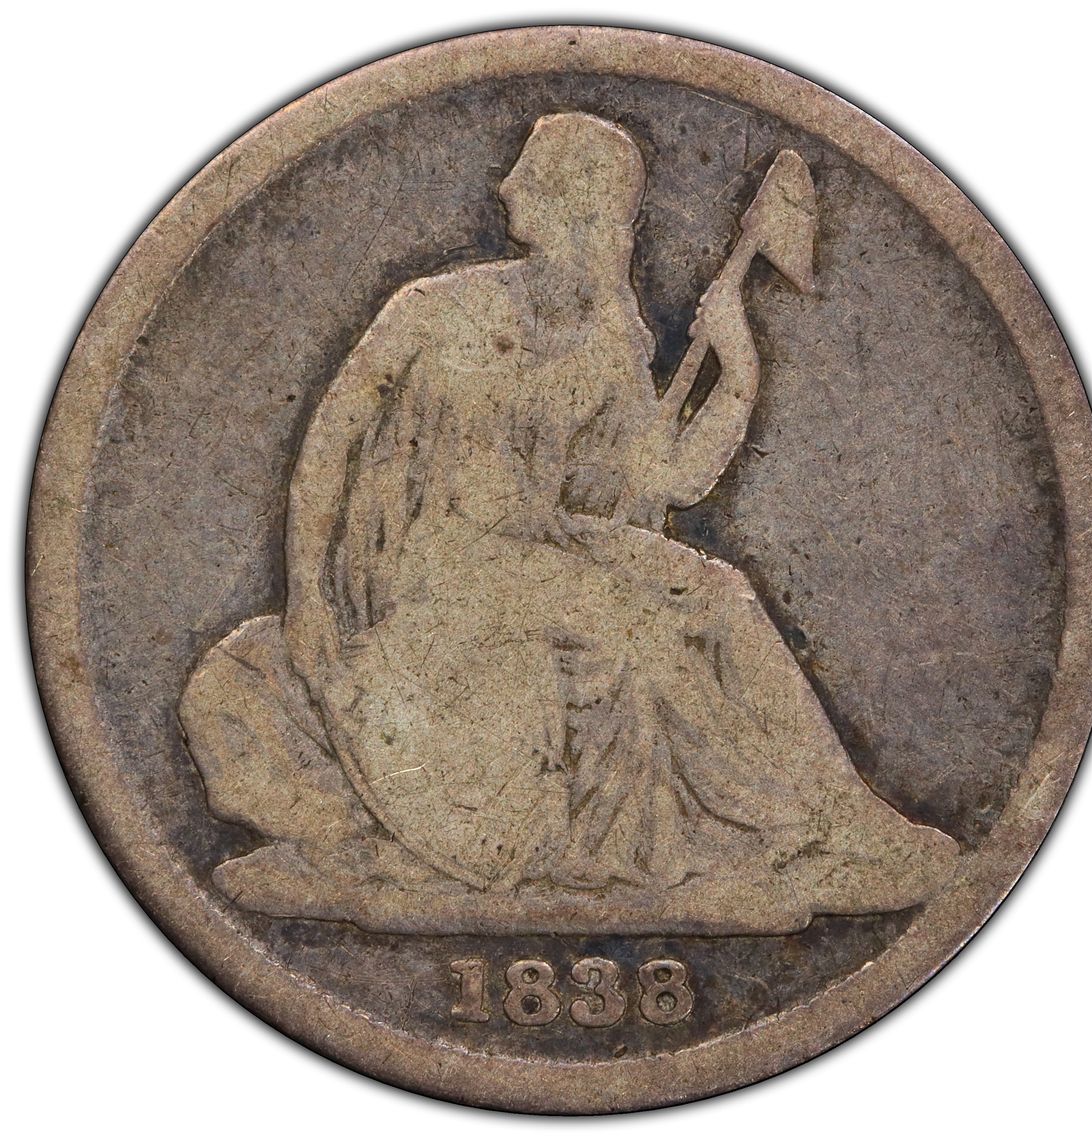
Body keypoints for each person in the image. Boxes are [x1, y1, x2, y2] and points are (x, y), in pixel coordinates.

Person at [180, 113, 957, 932]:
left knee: (719, 590)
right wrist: (308, 595)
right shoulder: (433, 311)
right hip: (437, 566)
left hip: (540, 549)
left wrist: (737, 370)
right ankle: (784, 831)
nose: (508, 188)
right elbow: (328, 450)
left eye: (536, 179)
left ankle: (847, 818)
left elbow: (670, 481)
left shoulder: (606, 336)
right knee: (637, 624)